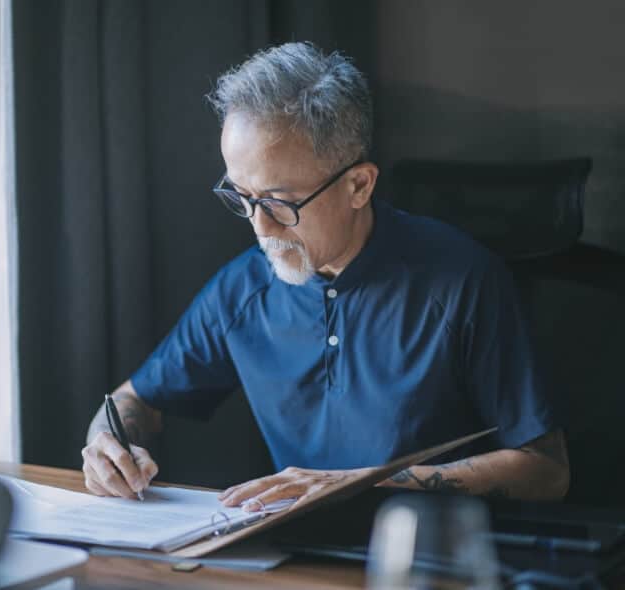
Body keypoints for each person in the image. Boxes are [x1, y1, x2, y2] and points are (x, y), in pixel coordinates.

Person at [81, 42, 570, 509]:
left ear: (359, 185)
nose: (259, 226)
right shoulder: (243, 290)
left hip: (431, 557)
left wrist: (360, 485)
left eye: (279, 201)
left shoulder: (462, 282)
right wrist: (108, 444)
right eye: (241, 197)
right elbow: (133, 401)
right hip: (294, 559)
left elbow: (546, 470)